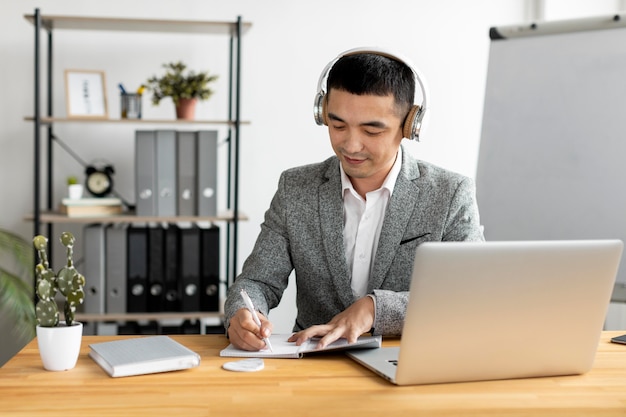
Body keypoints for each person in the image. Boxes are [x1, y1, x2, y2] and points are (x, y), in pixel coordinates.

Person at [224, 47, 484, 351]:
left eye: (372, 130)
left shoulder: (450, 194)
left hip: (411, 361)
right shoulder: (296, 188)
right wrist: (244, 313)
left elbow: (470, 291)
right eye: (337, 126)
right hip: (315, 367)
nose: (350, 144)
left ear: (410, 126)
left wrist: (374, 309)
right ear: (322, 114)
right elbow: (256, 282)